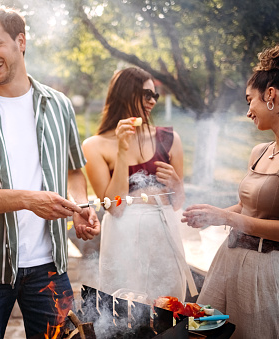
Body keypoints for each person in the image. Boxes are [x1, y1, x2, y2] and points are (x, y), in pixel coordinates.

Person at [0, 5, 100, 339]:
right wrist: (28, 200)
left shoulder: (60, 105)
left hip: (51, 268)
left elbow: (74, 170)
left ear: (20, 41)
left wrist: (80, 206)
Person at [182, 42, 279, 338]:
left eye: (251, 100)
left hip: (267, 274)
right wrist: (213, 215)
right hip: (227, 262)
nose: (248, 110)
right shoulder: (260, 151)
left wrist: (227, 218)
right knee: (199, 333)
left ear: (270, 95)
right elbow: (246, 207)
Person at [82, 67, 197, 303]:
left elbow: (178, 202)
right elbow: (115, 208)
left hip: (163, 235)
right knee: (123, 310)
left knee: (168, 308)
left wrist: (176, 183)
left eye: (155, 95)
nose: (152, 101)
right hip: (122, 239)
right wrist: (122, 152)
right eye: (146, 95)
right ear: (124, 94)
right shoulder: (95, 146)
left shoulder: (170, 139)